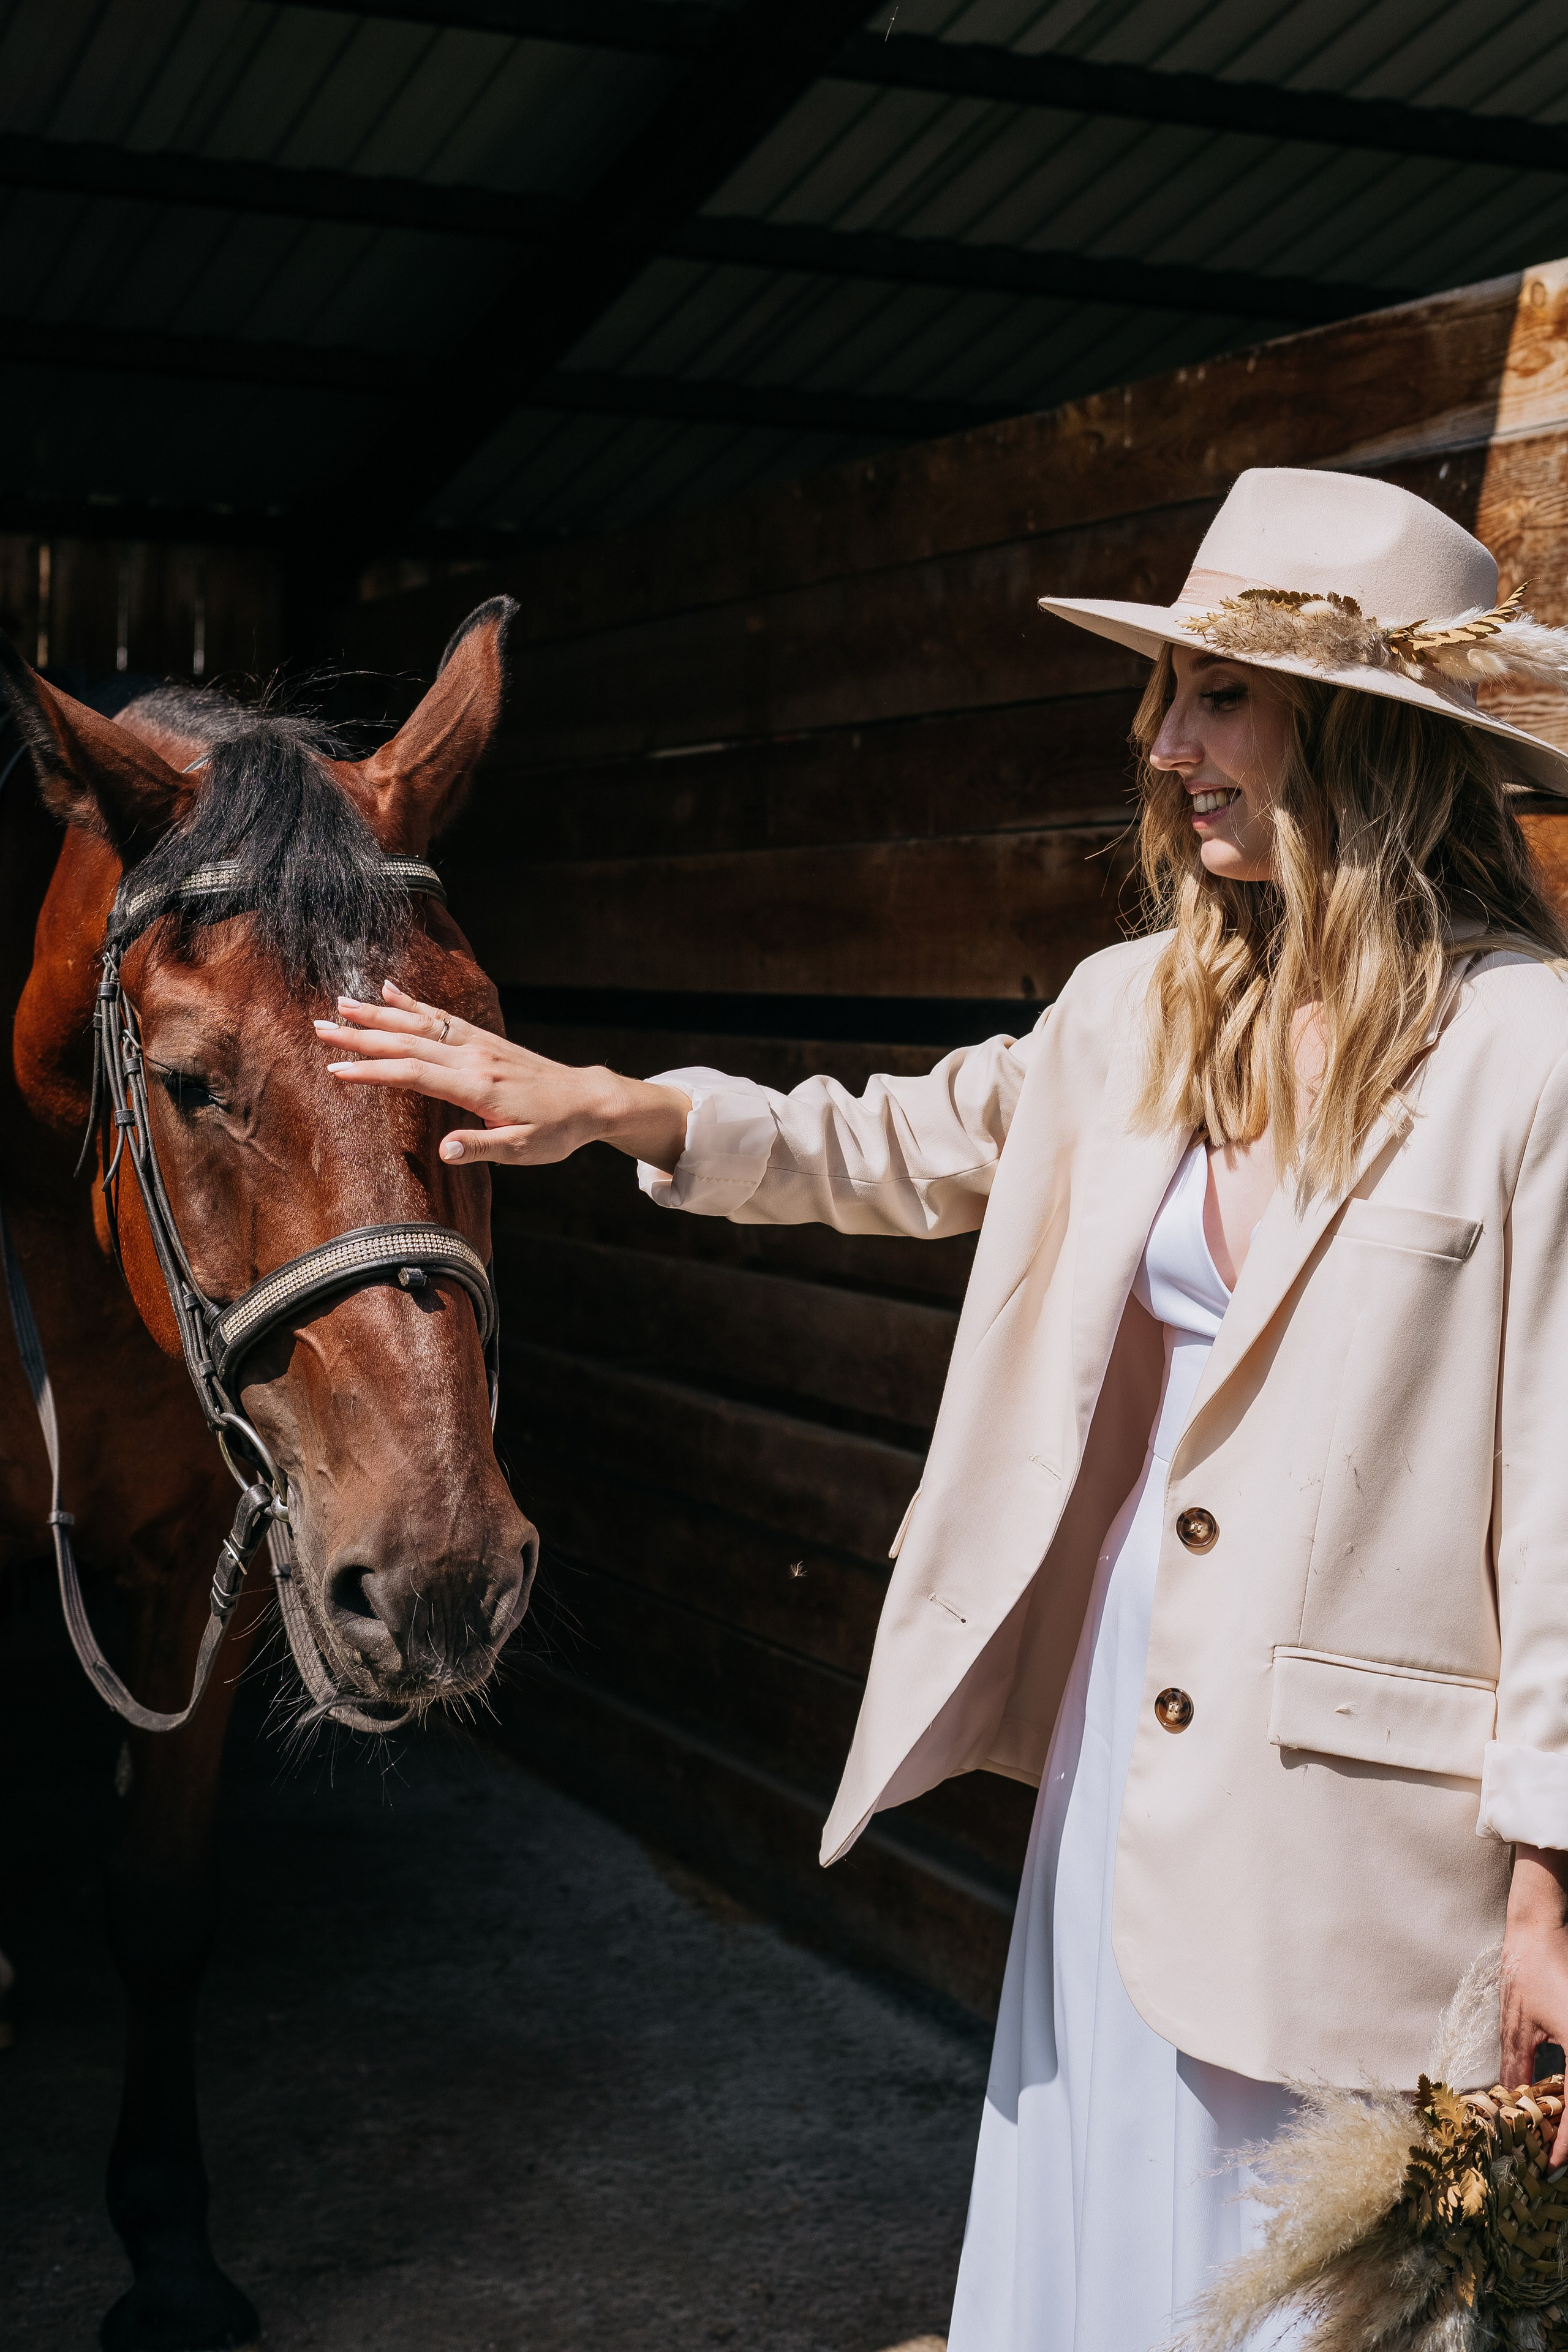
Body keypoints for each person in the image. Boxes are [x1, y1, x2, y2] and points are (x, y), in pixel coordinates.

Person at [315, 469, 1568, 2350]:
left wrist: (1551, 1870)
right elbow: (893, 1144)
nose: (1164, 746)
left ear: (1367, 734)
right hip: (1123, 1736)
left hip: (1369, 1824)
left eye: (1219, 696)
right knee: (1108, 2231)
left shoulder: (1529, 1054)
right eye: (1167, 696)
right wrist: (605, 1102)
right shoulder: (1134, 1008)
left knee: (1323, 2279)